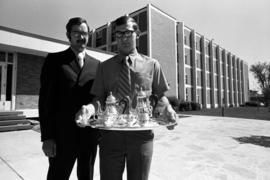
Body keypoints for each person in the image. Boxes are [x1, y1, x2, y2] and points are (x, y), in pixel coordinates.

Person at [76, 15, 177, 180]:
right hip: (110, 138)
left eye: (128, 33)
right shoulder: (104, 67)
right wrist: (89, 109)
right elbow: (99, 99)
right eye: (119, 34)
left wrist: (168, 110)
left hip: (141, 138)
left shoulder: (152, 65)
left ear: (137, 34)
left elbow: (159, 97)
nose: (123, 38)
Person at [39, 17, 100, 180]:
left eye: (85, 33)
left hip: (89, 136)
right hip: (61, 137)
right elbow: (45, 101)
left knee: (87, 176)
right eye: (77, 33)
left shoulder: (97, 65)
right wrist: (47, 137)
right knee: (57, 176)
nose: (82, 37)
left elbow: (98, 98)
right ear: (68, 35)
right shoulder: (54, 61)